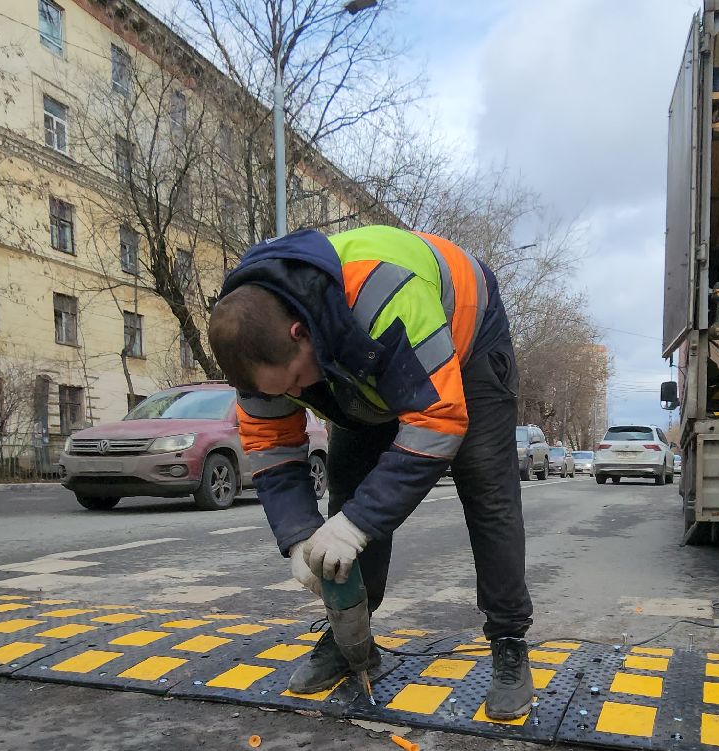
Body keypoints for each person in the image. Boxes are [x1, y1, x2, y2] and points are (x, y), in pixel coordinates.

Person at [206, 224, 534, 720]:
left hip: (466, 340)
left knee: (487, 489)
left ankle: (509, 640)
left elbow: (438, 423)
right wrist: (299, 536)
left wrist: (355, 526)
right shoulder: (254, 345)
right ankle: (351, 642)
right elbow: (271, 447)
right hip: (355, 359)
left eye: (293, 382)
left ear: (300, 333)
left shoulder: (386, 295)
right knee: (352, 486)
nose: (292, 395)